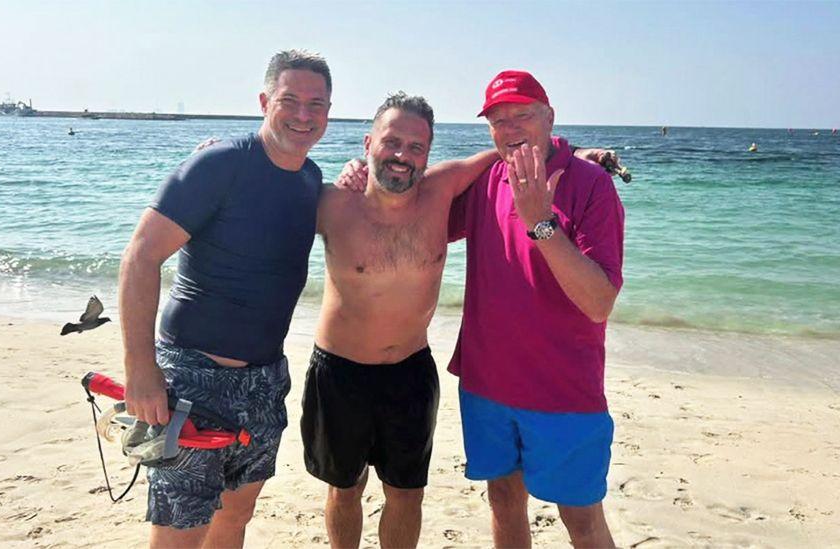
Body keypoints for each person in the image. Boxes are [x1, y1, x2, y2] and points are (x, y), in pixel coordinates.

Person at [315, 93, 621, 548]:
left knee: (408, 495)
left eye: (416, 146)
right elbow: (263, 211)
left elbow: (512, 152)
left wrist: (571, 157)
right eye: (391, 142)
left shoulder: (444, 189)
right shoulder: (335, 203)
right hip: (343, 373)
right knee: (346, 489)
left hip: (413, 375)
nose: (403, 154)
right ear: (368, 143)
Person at [118, 49, 331, 549]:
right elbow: (140, 258)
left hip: (264, 381)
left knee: (235, 517)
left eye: (316, 103)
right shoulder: (219, 164)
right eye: (290, 100)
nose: (304, 115)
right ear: (264, 101)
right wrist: (140, 369)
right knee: (179, 531)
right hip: (193, 378)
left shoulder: (310, 178)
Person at [447, 70, 625, 547]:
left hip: (564, 392)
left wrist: (541, 223)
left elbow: (598, 302)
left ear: (550, 117)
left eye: (522, 115)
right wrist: (361, 177)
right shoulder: (486, 180)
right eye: (497, 120)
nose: (510, 128)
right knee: (504, 503)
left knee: (582, 521)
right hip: (486, 386)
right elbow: (412, 217)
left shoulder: (591, 186)